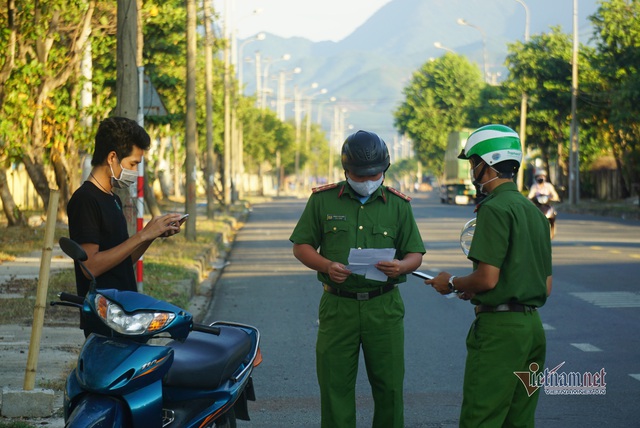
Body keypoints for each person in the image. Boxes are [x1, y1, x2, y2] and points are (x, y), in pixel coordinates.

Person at [289, 130, 425, 428]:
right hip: (339, 307)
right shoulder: (323, 201)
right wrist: (326, 264)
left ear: (384, 170)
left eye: (373, 175)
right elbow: (301, 246)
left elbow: (415, 253)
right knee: (335, 388)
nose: (366, 181)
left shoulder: (398, 205)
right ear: (346, 170)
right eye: (358, 175)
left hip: (384, 308)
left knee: (389, 389)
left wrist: (401, 267)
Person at [425, 124, 552, 427]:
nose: (471, 170)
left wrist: (453, 283)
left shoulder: (494, 209)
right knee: (519, 419)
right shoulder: (533, 211)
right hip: (532, 331)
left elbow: (487, 279)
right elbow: (545, 287)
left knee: (480, 418)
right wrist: (477, 289)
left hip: (500, 333)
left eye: (472, 162)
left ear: (487, 163)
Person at [67, 117, 185, 334]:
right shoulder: (85, 200)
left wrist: (151, 235)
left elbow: (122, 260)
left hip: (125, 317)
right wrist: (141, 236)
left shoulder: (113, 198)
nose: (135, 171)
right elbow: (90, 267)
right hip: (104, 317)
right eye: (133, 164)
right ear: (112, 157)